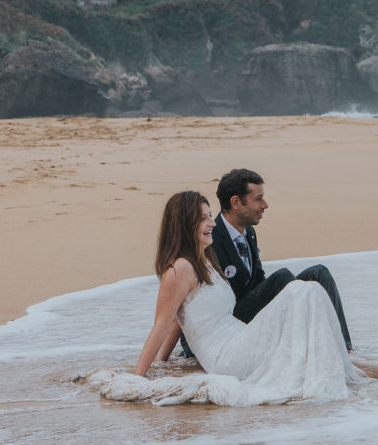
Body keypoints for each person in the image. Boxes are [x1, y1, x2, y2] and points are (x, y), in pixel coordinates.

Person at [115, 191, 359, 406]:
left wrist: (163, 362)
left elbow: (181, 319)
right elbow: (163, 323)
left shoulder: (205, 261)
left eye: (211, 215)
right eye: (203, 218)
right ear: (183, 224)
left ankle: (336, 368)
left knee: (311, 289)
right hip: (225, 356)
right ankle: (333, 369)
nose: (212, 223)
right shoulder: (179, 270)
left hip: (240, 338)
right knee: (302, 291)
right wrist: (139, 377)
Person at [180, 168, 352, 357]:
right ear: (236, 202)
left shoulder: (248, 232)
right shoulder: (210, 238)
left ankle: (344, 349)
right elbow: (183, 298)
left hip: (247, 315)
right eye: (258, 199)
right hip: (222, 328)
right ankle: (305, 350)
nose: (265, 205)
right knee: (282, 277)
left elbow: (257, 283)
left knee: (319, 273)